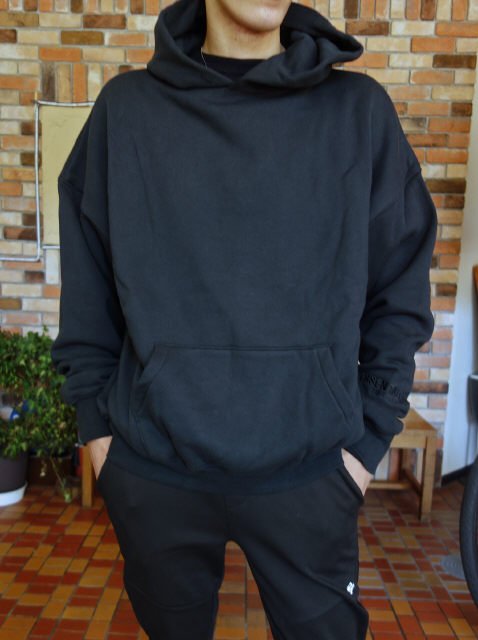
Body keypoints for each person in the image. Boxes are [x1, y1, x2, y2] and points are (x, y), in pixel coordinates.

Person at [50, 0, 438, 637]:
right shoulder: (127, 111)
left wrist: (366, 444)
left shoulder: (358, 113)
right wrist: (100, 439)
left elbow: (400, 288)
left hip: (312, 474)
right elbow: (89, 294)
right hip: (155, 473)